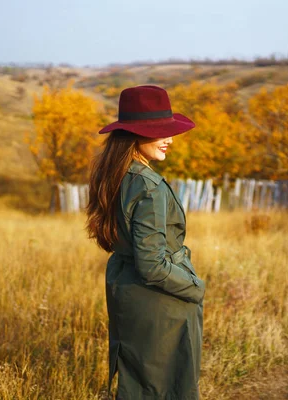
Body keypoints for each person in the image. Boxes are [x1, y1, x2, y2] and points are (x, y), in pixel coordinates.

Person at [86, 85, 206, 400]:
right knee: (167, 388)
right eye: (158, 132)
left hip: (128, 293)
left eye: (169, 130)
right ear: (134, 135)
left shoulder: (116, 176)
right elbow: (153, 266)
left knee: (138, 386)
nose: (169, 138)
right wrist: (194, 287)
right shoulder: (148, 187)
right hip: (160, 304)